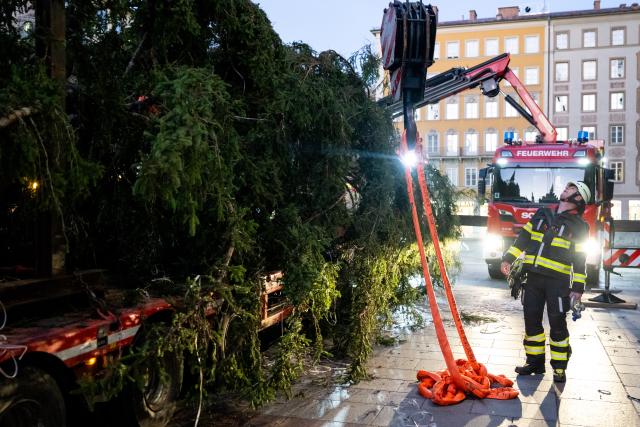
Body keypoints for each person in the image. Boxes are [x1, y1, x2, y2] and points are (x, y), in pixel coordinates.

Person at [501, 181, 591, 383]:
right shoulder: (542, 214)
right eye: (567, 187)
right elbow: (523, 239)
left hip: (558, 283)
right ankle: (534, 363)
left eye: (572, 189)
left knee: (557, 324)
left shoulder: (580, 227)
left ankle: (559, 368)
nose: (566, 189)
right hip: (532, 279)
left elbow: (580, 259)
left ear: (578, 199)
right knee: (531, 321)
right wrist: (508, 259)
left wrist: (578, 288)